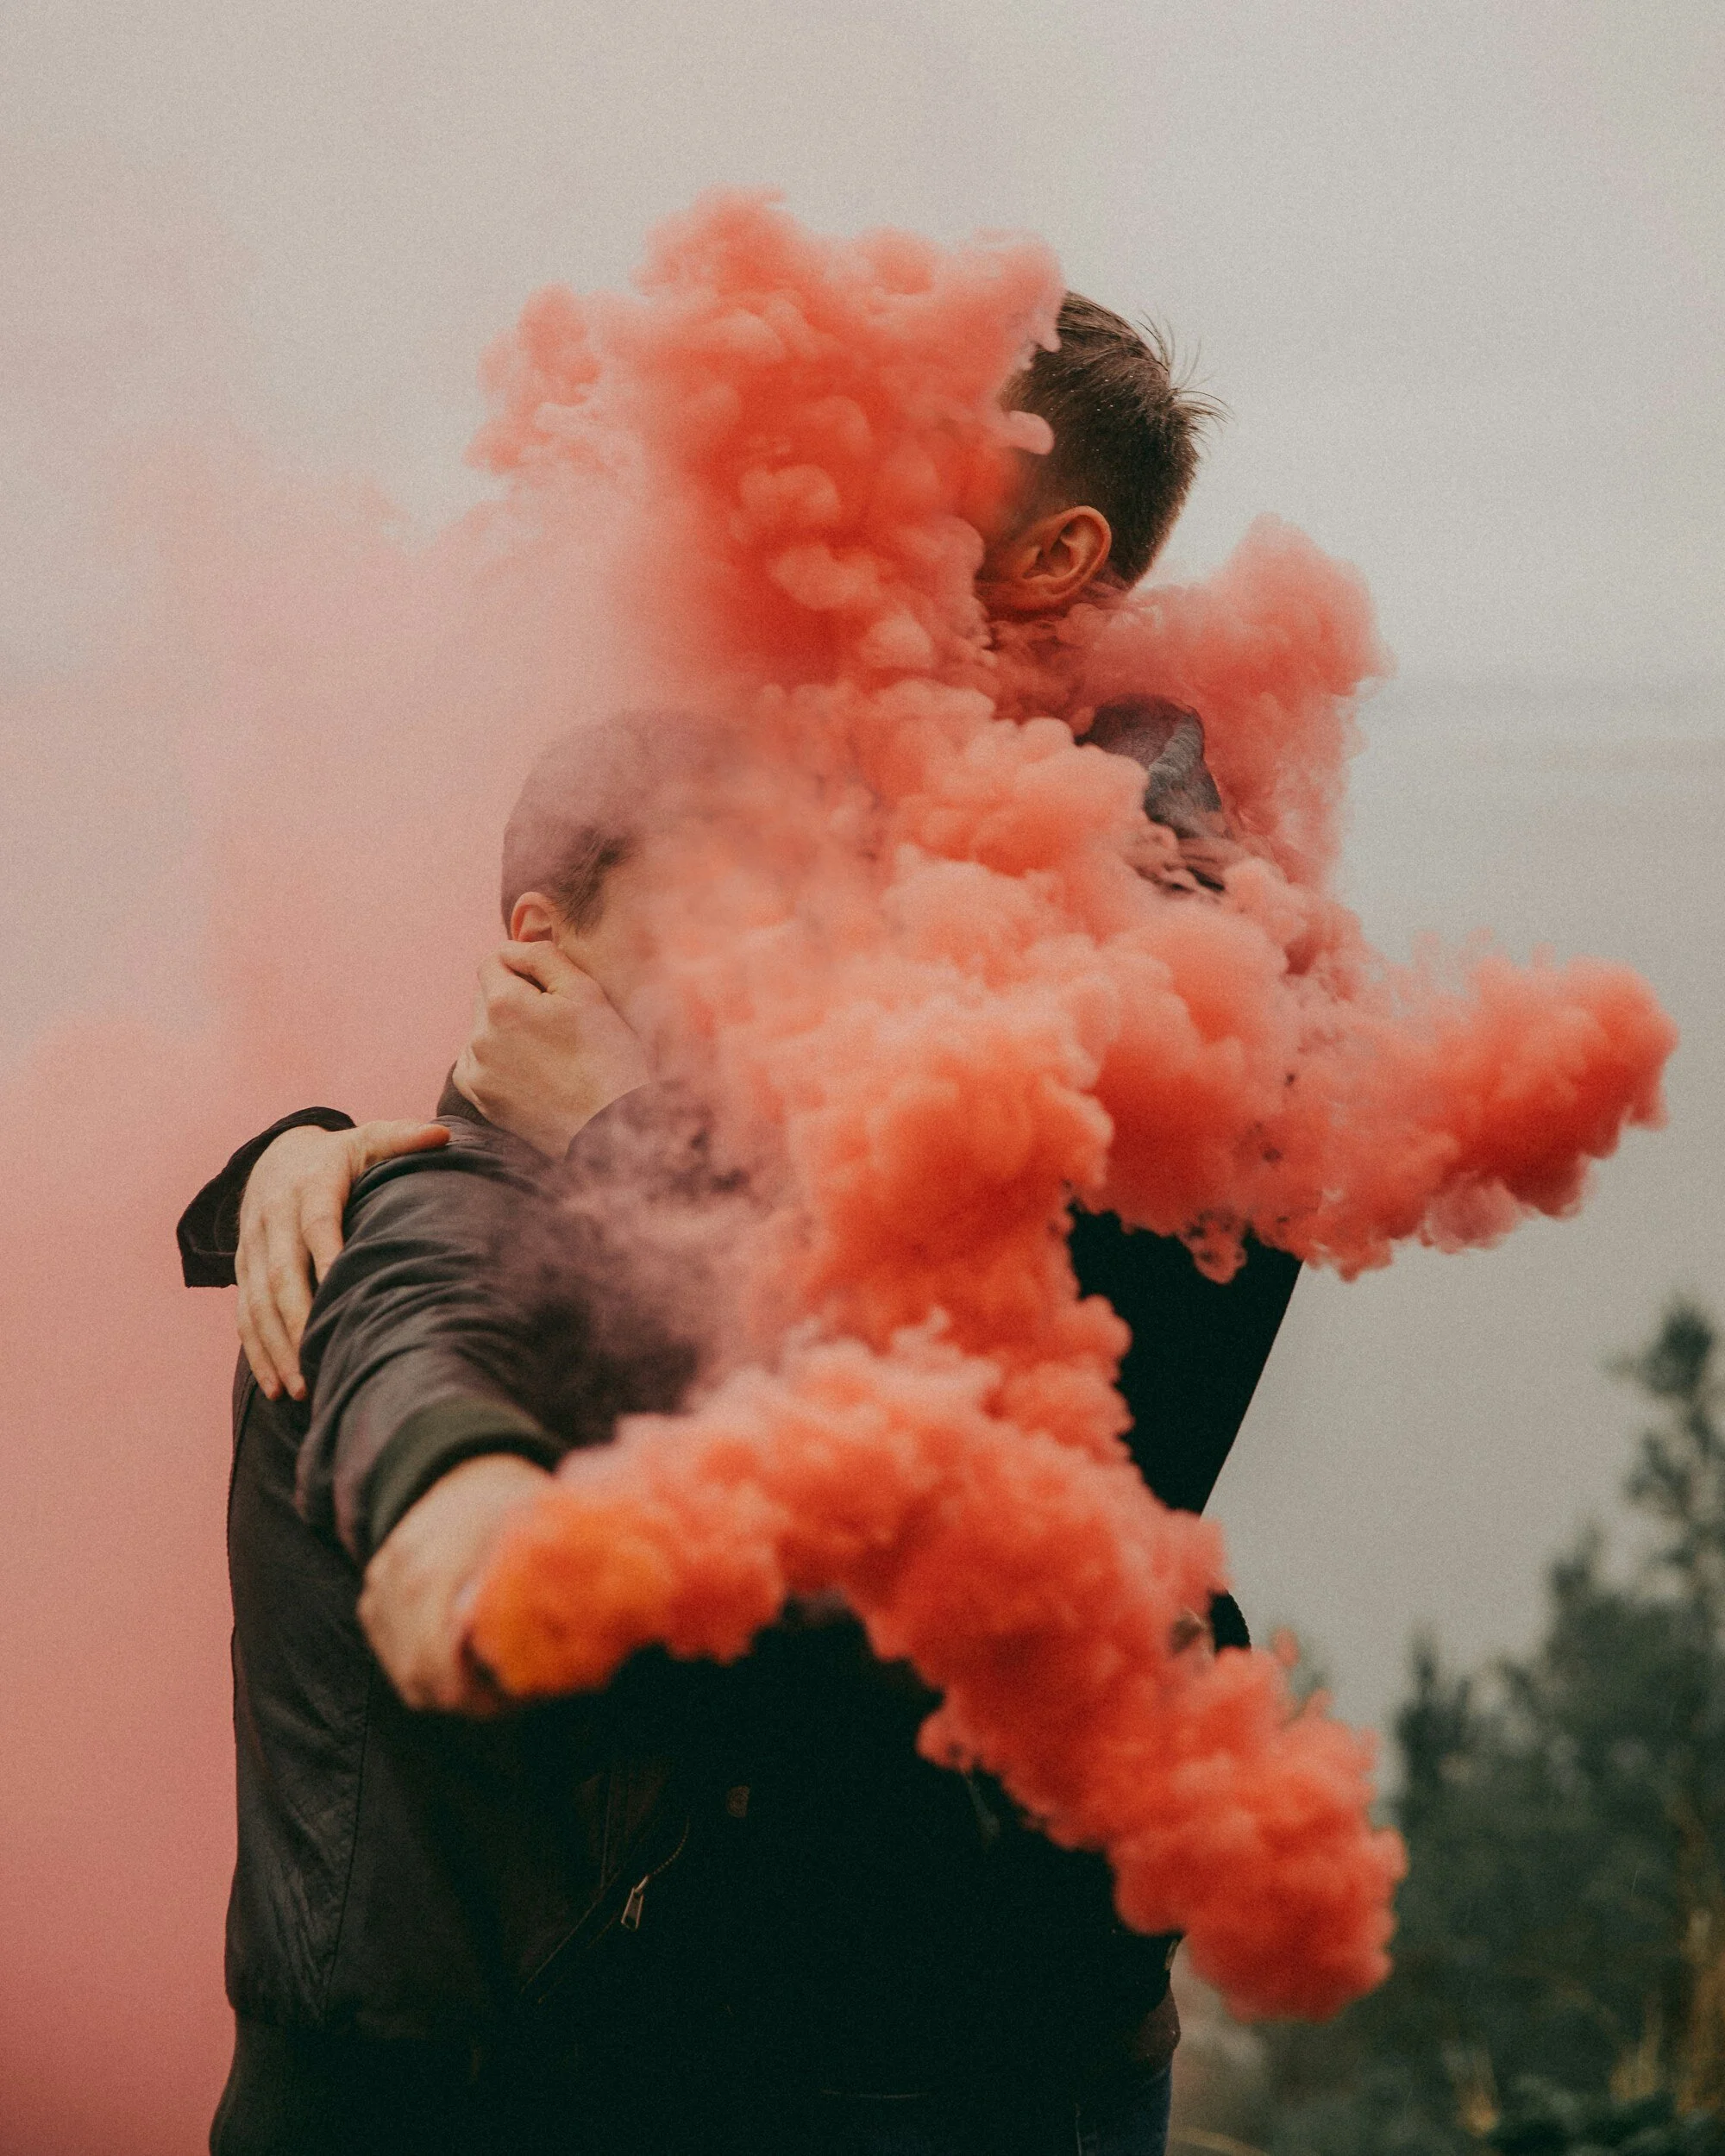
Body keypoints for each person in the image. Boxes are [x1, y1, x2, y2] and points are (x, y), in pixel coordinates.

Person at [180, 294, 1300, 2156]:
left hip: (945, 1986)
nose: (801, 517)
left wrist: (598, 1131)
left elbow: (951, 1451)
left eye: (882, 469)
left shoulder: (1170, 954)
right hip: (742, 1969)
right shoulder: (904, 825)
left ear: (1055, 547)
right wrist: (332, 1150)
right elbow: (572, 1134)